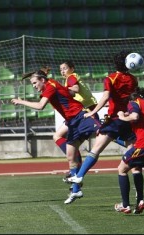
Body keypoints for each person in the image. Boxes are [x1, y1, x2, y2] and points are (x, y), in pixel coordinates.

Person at [10, 68, 101, 204]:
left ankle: (132, 145)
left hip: (80, 116)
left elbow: (40, 106)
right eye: (32, 84)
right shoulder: (51, 84)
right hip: (72, 122)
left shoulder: (50, 87)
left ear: (42, 80)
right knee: (71, 157)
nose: (34, 86)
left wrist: (21, 101)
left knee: (106, 134)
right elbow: (67, 92)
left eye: (35, 83)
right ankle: (76, 190)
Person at [66, 50, 138, 194]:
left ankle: (79, 176)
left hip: (114, 119)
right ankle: (139, 192)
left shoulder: (110, 78)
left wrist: (93, 112)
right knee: (133, 153)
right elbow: (131, 98)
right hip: (128, 119)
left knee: (96, 149)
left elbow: (105, 97)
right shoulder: (133, 79)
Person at [114, 87, 144, 214]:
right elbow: (140, 117)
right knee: (136, 167)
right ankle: (140, 201)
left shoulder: (133, 103)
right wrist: (128, 115)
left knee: (121, 169)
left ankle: (125, 205)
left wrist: (121, 116)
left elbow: (135, 116)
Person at [53, 60, 98, 184]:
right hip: (79, 113)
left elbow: (76, 89)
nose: (62, 71)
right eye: (61, 69)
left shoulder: (71, 77)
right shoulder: (69, 79)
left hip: (85, 112)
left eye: (65, 68)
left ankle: (75, 165)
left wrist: (63, 92)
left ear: (72, 68)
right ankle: (75, 167)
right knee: (60, 137)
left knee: (106, 134)